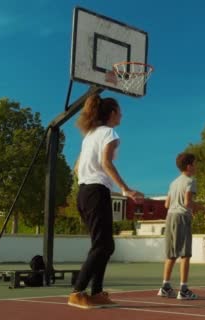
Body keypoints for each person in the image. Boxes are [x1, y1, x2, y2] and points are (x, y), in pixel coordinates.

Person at [68, 94, 142, 309]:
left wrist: (88, 179)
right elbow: (105, 162)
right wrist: (125, 189)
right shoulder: (109, 132)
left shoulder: (89, 135)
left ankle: (97, 292)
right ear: (111, 114)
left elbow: (76, 167)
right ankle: (77, 292)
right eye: (119, 111)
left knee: (103, 246)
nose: (121, 115)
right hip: (96, 192)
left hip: (84, 192)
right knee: (103, 245)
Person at [157, 152, 199, 300]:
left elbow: (167, 204)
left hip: (170, 217)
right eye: (195, 163)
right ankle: (184, 290)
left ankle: (166, 287)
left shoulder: (173, 183)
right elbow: (188, 202)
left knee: (172, 254)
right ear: (189, 166)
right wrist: (203, 207)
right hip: (182, 218)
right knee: (185, 255)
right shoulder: (190, 180)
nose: (196, 166)